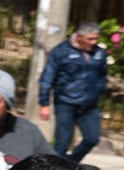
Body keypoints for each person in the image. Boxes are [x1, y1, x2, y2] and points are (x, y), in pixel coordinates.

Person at [38, 22, 107, 162]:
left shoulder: (99, 53)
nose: (94, 42)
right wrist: (44, 103)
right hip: (66, 103)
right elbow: (47, 77)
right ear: (79, 37)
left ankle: (70, 164)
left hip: (89, 105)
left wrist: (99, 91)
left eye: (96, 39)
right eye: (90, 39)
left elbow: (102, 76)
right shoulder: (61, 51)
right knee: (62, 142)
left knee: (92, 138)